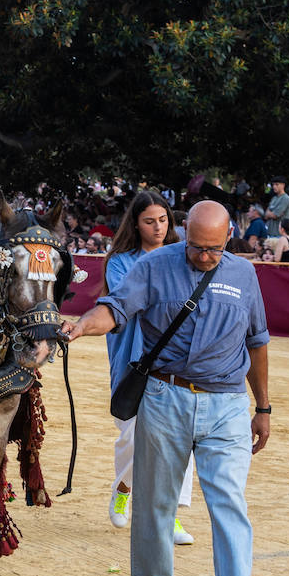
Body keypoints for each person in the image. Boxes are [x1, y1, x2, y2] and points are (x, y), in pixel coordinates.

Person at [60, 200, 271, 576]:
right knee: (156, 502)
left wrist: (263, 407)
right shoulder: (155, 266)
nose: (203, 256)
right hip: (164, 395)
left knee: (229, 505)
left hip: (228, 405)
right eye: (196, 246)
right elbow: (115, 309)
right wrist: (82, 326)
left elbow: (257, 341)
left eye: (213, 249)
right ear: (184, 233)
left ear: (228, 237)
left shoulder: (243, 274)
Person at [101, 191, 196, 543]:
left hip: (179, 359)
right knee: (132, 435)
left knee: (180, 437)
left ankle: (169, 515)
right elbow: (131, 303)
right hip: (133, 359)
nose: (158, 228)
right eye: (149, 221)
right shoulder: (120, 262)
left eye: (163, 220)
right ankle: (123, 487)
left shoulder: (185, 257)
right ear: (135, 224)